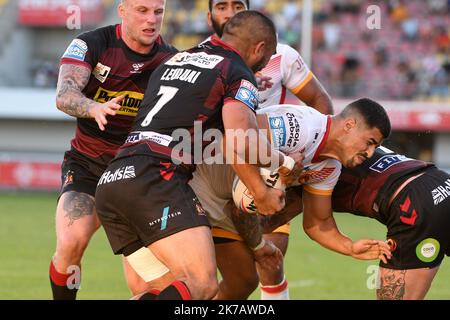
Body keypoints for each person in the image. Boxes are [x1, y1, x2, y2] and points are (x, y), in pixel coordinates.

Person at [95, 10, 302, 300]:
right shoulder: (236, 71)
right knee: (202, 284)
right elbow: (242, 140)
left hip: (115, 179)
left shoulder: (175, 59)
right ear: (259, 48)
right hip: (157, 178)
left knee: (161, 291)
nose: (264, 67)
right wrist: (284, 163)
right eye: (267, 59)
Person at [126, 99, 393, 300]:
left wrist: (349, 246)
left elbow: (318, 222)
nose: (370, 153)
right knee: (182, 284)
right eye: (369, 142)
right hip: (196, 183)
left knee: (243, 281)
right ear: (349, 125)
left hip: (230, 205)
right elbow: (236, 142)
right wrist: (267, 183)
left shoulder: (330, 168)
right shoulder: (298, 125)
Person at [205, 0, 334, 300]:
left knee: (270, 262)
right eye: (222, 6)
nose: (230, 13)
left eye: (238, 5)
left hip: (269, 173)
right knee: (218, 279)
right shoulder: (202, 56)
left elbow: (320, 102)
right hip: (216, 177)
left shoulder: (281, 55)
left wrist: (310, 151)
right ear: (208, 14)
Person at [50, 0, 178, 300]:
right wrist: (93, 107)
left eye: (158, 12)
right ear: (122, 10)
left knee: (147, 286)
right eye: (142, 11)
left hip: (138, 173)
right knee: (71, 241)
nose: (152, 19)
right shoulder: (91, 43)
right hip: (89, 165)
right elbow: (64, 94)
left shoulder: (172, 60)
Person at [261, 146, 450, 300]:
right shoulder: (328, 135)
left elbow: (275, 220)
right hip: (440, 180)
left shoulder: (299, 165)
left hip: (413, 204)